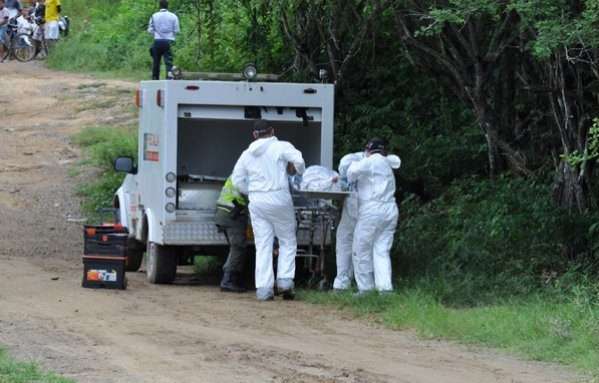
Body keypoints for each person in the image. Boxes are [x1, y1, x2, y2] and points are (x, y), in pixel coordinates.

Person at [231, 120, 305, 301]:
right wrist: (296, 171)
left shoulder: (246, 154)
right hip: (279, 197)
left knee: (263, 244)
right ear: (272, 131)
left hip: (257, 200)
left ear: (254, 135)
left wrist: (252, 191)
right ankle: (285, 281)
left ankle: (264, 289)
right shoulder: (281, 146)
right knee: (287, 239)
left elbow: (237, 181)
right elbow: (300, 161)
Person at [347, 138, 401, 294]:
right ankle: (385, 289)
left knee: (361, 248)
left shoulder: (371, 161)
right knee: (382, 250)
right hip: (390, 209)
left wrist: (357, 163)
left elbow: (351, 174)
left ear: (369, 150)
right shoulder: (387, 162)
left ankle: (365, 288)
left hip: (372, 209)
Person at [332, 151, 364, 291]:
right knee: (350, 242)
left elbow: (344, 181)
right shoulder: (380, 164)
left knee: (349, 243)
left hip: (359, 207)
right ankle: (362, 283)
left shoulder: (352, 161)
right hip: (361, 207)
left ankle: (344, 282)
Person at [215, 176, 249, 293]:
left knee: (235, 248)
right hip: (233, 215)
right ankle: (227, 281)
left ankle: (232, 279)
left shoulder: (236, 174)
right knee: (238, 247)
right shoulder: (245, 177)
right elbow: (251, 197)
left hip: (225, 214)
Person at [147, 0, 179, 80]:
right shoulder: (173, 16)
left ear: (159, 6)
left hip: (157, 41)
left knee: (156, 61)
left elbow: (150, 30)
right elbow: (177, 30)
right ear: (167, 6)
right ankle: (169, 78)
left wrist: (156, 33)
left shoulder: (154, 16)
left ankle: (155, 78)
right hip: (168, 41)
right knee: (168, 62)